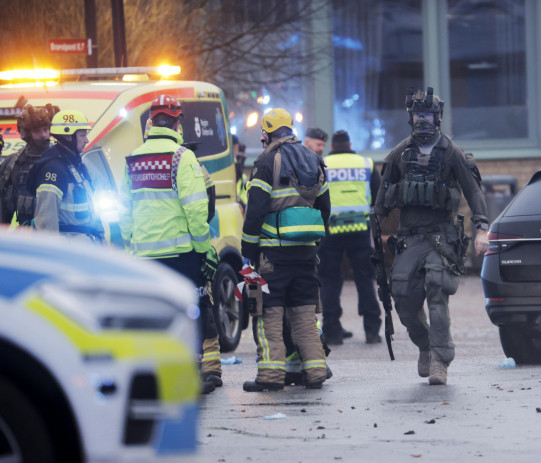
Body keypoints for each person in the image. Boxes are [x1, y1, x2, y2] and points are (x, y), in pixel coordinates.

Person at [374, 87, 489, 385]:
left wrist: (482, 228)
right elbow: (383, 199)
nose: (421, 120)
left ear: (437, 117)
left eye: (427, 115)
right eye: (417, 115)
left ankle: (440, 358)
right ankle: (425, 345)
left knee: (437, 293)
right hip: (409, 237)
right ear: (410, 118)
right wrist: (372, 232)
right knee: (403, 298)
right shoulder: (400, 153)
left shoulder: (452, 153)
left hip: (441, 236)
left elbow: (474, 191)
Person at [119, 95, 222, 394]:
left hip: (144, 256)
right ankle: (189, 375)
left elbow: (124, 211)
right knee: (194, 311)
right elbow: (195, 209)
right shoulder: (182, 157)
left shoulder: (134, 159)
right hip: (182, 255)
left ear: (150, 122)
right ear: (178, 122)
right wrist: (205, 250)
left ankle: (158, 376)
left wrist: (131, 244)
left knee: (154, 315)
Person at [241, 108, 330, 392]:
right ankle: (315, 373)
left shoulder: (266, 162)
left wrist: (248, 250)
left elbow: (254, 210)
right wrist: (314, 241)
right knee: (304, 316)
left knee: (268, 318)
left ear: (266, 134)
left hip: (272, 256)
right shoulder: (314, 159)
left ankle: (270, 377)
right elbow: (325, 207)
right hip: (305, 254)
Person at [317, 129, 382, 346]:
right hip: (359, 228)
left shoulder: (322, 163)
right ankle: (372, 330)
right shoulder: (366, 163)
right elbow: (379, 195)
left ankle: (332, 331)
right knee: (364, 278)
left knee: (330, 280)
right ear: (350, 144)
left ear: (332, 146)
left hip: (330, 230)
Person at [23, 109, 104, 242]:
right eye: (83, 135)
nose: (87, 140)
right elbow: (46, 224)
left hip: (85, 248)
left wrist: (101, 240)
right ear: (68, 136)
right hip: (69, 252)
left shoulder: (76, 165)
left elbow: (91, 210)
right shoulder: (53, 170)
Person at [0, 104, 58, 225]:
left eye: (46, 129)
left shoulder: (61, 160)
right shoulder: (12, 163)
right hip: (26, 237)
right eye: (37, 131)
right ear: (26, 134)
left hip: (57, 236)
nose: (43, 135)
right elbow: (3, 208)